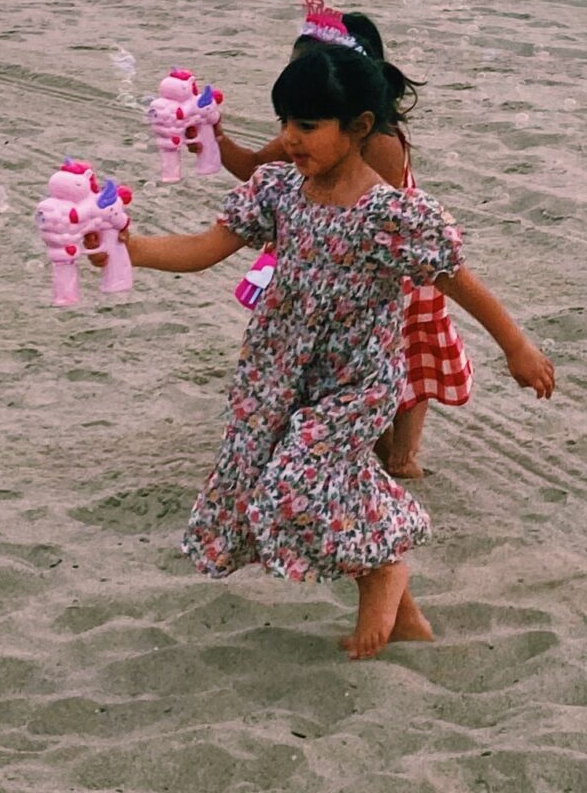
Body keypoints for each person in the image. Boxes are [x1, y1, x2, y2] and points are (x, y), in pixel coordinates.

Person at [126, 35, 554, 659]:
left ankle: (384, 570)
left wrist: (517, 348)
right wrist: (131, 248)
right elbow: (202, 249)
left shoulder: (390, 214)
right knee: (312, 480)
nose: (290, 138)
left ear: (358, 127)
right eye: (284, 123)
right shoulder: (280, 191)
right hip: (278, 371)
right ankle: (403, 616)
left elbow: (459, 281)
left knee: (295, 482)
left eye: (306, 124)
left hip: (356, 381)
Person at [217, 0, 472, 479]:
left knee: (411, 359)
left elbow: (386, 225)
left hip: (393, 270)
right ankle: (372, 455)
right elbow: (250, 167)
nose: (293, 130)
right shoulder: (310, 131)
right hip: (335, 267)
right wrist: (209, 136)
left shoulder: (380, 145)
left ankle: (405, 455)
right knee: (354, 368)